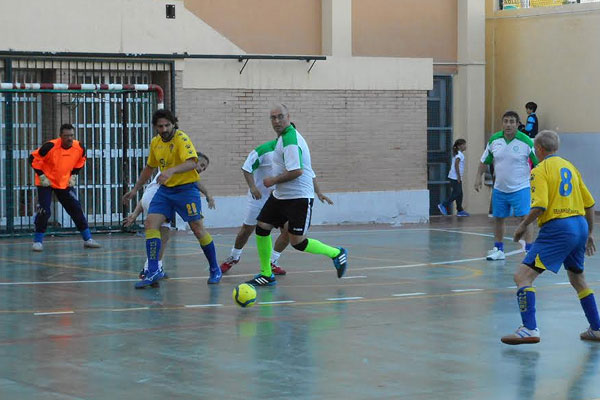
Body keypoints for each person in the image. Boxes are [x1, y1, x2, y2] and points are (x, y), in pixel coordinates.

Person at [500, 130, 599, 344]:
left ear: (538, 149)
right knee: (578, 279)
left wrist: (523, 226)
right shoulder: (570, 167)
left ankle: (529, 328)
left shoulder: (540, 170)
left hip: (558, 229)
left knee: (523, 277)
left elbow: (540, 205)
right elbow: (589, 203)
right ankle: (597, 328)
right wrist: (590, 233)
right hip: (579, 226)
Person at [245, 104, 347, 287]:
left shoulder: (290, 140)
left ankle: (336, 253)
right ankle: (266, 273)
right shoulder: (282, 138)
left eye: (280, 117)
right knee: (262, 226)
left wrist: (273, 180)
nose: (276, 121)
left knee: (297, 242)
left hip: (298, 198)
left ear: (288, 117)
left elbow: (297, 172)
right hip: (280, 196)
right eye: (273, 118)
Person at [122, 109, 221, 288]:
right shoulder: (155, 143)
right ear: (155, 127)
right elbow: (149, 168)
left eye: (167, 125)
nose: (164, 129)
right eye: (160, 126)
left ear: (173, 124)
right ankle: (153, 270)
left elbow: (192, 162)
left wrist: (171, 170)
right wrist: (135, 189)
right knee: (151, 224)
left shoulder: (182, 139)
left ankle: (215, 268)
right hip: (166, 191)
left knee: (198, 229)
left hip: (186, 190)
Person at [220, 138, 333, 275]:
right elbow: (246, 168)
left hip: (282, 198)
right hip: (259, 197)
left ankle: (272, 261)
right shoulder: (264, 150)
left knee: (287, 231)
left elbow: (310, 174)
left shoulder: (295, 151)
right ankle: (234, 257)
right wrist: (253, 187)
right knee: (247, 229)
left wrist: (319, 193)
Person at [123, 153, 214, 280]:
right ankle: (148, 269)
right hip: (158, 199)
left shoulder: (173, 170)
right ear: (193, 161)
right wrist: (208, 195)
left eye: (204, 169)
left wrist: (134, 214)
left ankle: (155, 268)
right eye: (201, 165)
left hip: (150, 198)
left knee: (162, 234)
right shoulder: (181, 170)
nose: (201, 169)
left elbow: (146, 196)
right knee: (161, 236)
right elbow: (197, 184)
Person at [474, 111, 538, 260]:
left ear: (517, 124)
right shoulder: (494, 140)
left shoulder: (526, 141)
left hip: (521, 188)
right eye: (506, 121)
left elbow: (538, 163)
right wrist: (478, 177)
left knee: (526, 218)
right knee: (498, 218)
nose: (508, 125)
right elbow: (484, 161)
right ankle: (498, 249)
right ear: (502, 123)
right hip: (499, 188)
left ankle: (529, 250)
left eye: (512, 122)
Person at [29, 123, 101, 251]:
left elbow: (81, 160)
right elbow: (33, 158)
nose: (69, 138)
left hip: (64, 182)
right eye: (66, 136)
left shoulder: (79, 147)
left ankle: (88, 238)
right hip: (46, 182)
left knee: (75, 207)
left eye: (71, 136)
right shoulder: (50, 146)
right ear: (60, 136)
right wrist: (41, 175)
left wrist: (74, 175)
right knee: (44, 211)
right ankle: (38, 241)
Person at [438, 139, 469, 217]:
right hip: (455, 177)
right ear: (459, 146)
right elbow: (456, 165)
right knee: (457, 193)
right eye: (463, 145)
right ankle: (443, 205)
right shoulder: (459, 155)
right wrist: (458, 176)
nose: (465, 146)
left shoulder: (459, 154)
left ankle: (460, 210)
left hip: (456, 177)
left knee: (460, 194)